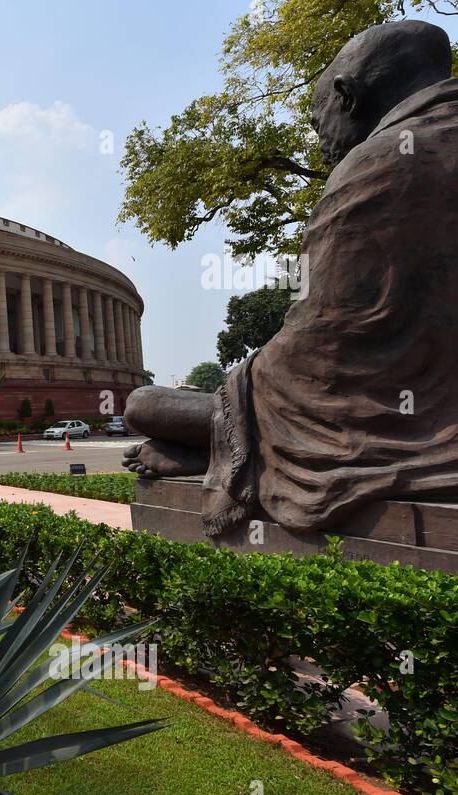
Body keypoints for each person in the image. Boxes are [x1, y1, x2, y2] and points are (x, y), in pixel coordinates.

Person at [123, 20, 458, 535]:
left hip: (383, 421)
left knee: (144, 403)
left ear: (347, 96)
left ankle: (235, 451)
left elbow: (319, 348)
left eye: (316, 117)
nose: (319, 137)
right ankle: (229, 446)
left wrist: (241, 397)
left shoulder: (378, 163)